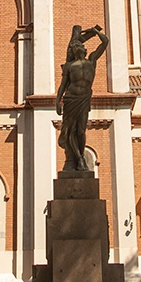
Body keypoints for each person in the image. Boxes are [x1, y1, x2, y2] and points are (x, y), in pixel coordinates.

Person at [55, 24, 109, 172]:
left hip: (84, 99)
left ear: (84, 49)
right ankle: (79, 158)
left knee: (81, 131)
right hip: (71, 99)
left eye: (80, 45)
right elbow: (63, 85)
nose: (78, 47)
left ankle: (80, 157)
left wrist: (95, 31)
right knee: (70, 131)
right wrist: (57, 101)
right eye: (75, 45)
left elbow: (105, 42)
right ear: (73, 50)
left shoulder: (92, 60)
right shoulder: (69, 66)